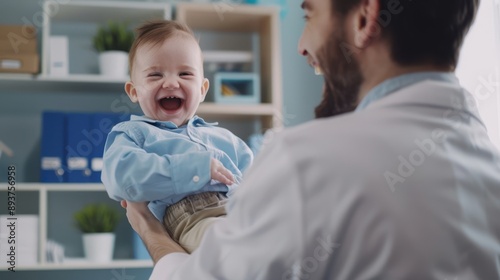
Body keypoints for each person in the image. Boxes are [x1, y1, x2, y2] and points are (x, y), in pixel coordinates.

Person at [122, 0, 500, 279]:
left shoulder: (304, 162)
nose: (301, 45)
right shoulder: (488, 168)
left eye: (309, 15)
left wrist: (148, 229)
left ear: (367, 17)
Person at [101, 20, 253, 253]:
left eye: (184, 73)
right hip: (192, 220)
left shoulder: (226, 139)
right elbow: (121, 177)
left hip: (241, 214)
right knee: (228, 246)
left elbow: (255, 179)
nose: (171, 83)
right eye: (154, 75)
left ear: (202, 90)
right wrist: (195, 168)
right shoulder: (135, 135)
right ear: (134, 91)